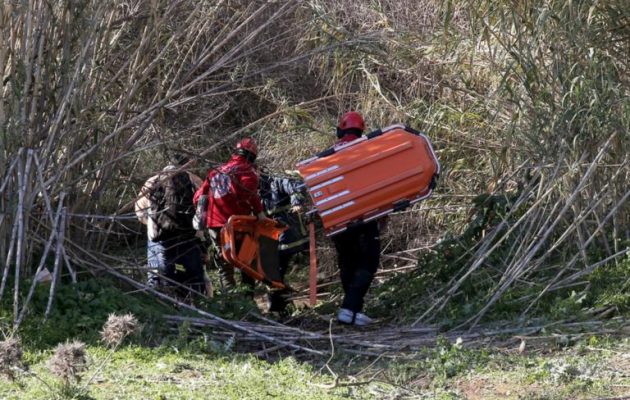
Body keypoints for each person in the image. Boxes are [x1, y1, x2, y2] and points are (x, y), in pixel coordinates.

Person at [193, 137, 266, 292]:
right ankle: (247, 299)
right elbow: (248, 193)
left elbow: (198, 197)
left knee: (224, 262)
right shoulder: (247, 172)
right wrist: (259, 212)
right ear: (251, 155)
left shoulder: (215, 172)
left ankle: (230, 298)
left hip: (215, 225)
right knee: (246, 260)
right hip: (238, 224)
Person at [330, 111, 381, 326]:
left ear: (341, 128)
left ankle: (354, 312)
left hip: (339, 218)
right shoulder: (369, 149)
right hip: (365, 216)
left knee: (347, 262)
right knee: (368, 261)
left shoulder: (329, 154)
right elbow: (378, 184)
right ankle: (350, 307)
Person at [135, 155, 208, 297]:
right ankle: (197, 304)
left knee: (158, 277)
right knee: (193, 278)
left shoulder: (153, 181)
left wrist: (152, 223)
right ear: (186, 166)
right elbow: (204, 209)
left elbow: (139, 211)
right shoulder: (194, 180)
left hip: (160, 240)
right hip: (188, 237)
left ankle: (158, 302)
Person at [259, 172, 308, 313]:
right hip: (272, 238)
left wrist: (296, 203)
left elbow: (295, 187)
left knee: (275, 272)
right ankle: (281, 305)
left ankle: (277, 308)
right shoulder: (254, 190)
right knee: (273, 273)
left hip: (287, 235)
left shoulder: (277, 181)